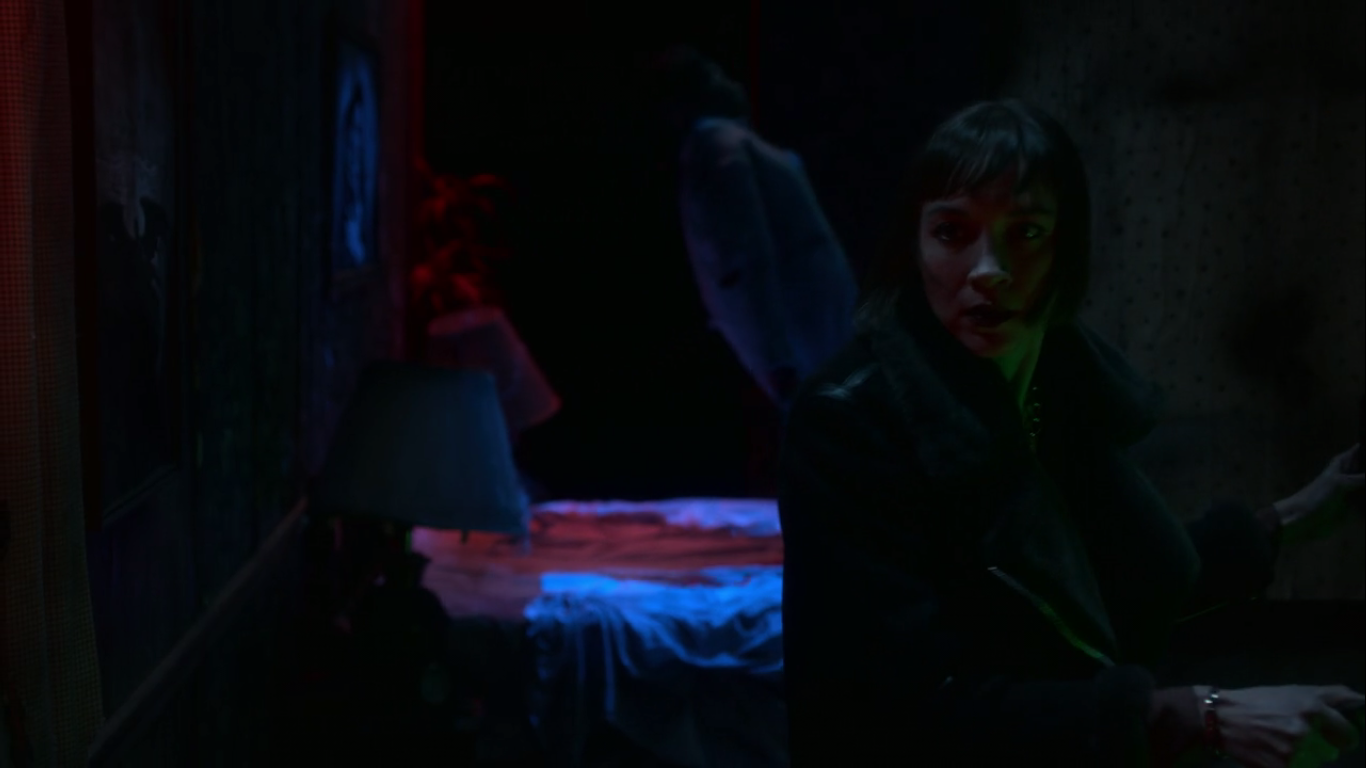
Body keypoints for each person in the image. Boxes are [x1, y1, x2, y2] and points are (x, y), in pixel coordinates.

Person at [777, 99, 1366, 768]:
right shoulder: (852, 420)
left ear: (1065, 248)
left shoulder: (1055, 384)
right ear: (915, 245)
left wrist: (1298, 515)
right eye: (952, 232)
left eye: (1025, 232)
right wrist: (1199, 715)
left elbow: (1102, 585)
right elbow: (900, 707)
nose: (987, 267)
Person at [648, 46, 859, 412]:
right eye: (713, 77)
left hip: (821, 331)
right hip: (808, 335)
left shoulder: (730, 144)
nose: (730, 84)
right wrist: (776, 359)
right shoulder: (718, 148)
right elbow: (743, 262)